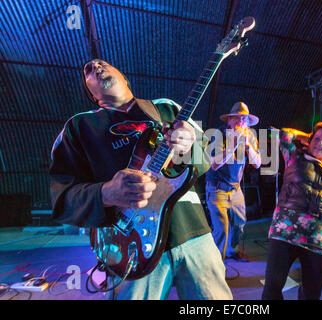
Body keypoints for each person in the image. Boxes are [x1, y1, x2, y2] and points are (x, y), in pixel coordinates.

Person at [49, 59, 232, 300]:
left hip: (193, 233)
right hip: (129, 249)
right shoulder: (79, 126)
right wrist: (106, 192)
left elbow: (206, 158)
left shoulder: (166, 108)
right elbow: (62, 197)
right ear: (92, 94)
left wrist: (190, 146)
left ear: (124, 78)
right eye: (88, 70)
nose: (95, 66)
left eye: (102, 63)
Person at [262, 120, 322, 300]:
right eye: (317, 139)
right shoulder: (294, 155)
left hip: (319, 240)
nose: (321, 144)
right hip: (285, 233)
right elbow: (284, 133)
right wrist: (308, 137)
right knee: (272, 287)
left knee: (311, 294)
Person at [205, 102, 261, 261]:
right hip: (217, 189)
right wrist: (234, 144)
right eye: (237, 119)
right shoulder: (219, 134)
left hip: (235, 189)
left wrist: (248, 146)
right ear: (229, 120)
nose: (241, 122)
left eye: (244, 120)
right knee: (222, 229)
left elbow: (257, 163)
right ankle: (216, 264)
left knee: (239, 224)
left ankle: (231, 251)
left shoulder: (249, 136)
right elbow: (214, 164)